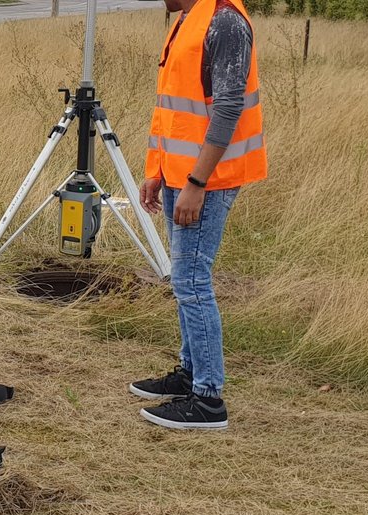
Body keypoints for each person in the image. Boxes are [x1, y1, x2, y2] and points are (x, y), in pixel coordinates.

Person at [130, 0, 267, 430]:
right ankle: (190, 374)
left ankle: (207, 400)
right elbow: (175, 113)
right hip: (179, 175)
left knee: (191, 280)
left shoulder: (226, 22)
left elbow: (227, 110)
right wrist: (158, 173)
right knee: (183, 277)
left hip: (209, 180)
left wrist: (196, 183)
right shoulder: (190, 20)